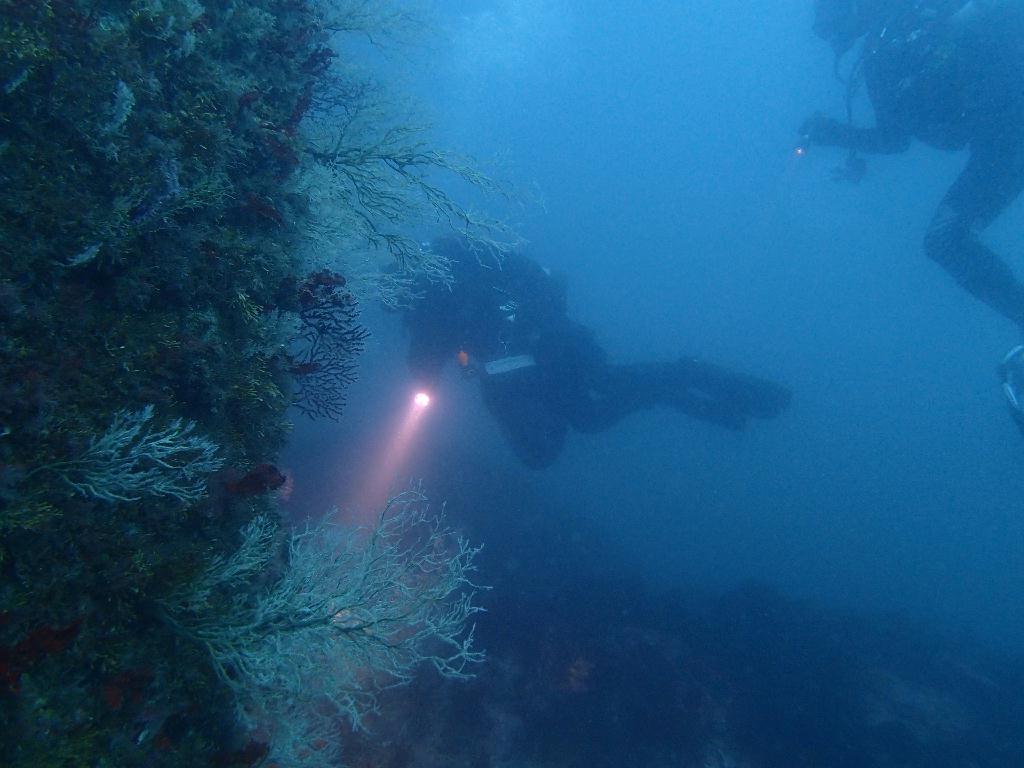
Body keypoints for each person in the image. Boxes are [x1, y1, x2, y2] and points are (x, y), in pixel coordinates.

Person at [402, 237, 792, 469]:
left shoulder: (438, 297)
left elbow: (427, 356)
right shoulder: (451, 288)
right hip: (529, 366)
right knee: (570, 431)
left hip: (550, 349)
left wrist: (426, 381)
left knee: (596, 398)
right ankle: (677, 387)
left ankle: (687, 378)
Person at [801, 0, 1024, 331]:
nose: (827, 29)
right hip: (1003, 143)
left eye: (831, 15)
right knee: (944, 241)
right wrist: (835, 135)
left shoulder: (901, 34)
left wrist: (833, 134)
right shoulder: (888, 45)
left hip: (1006, 140)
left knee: (945, 240)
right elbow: (896, 138)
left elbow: (894, 139)